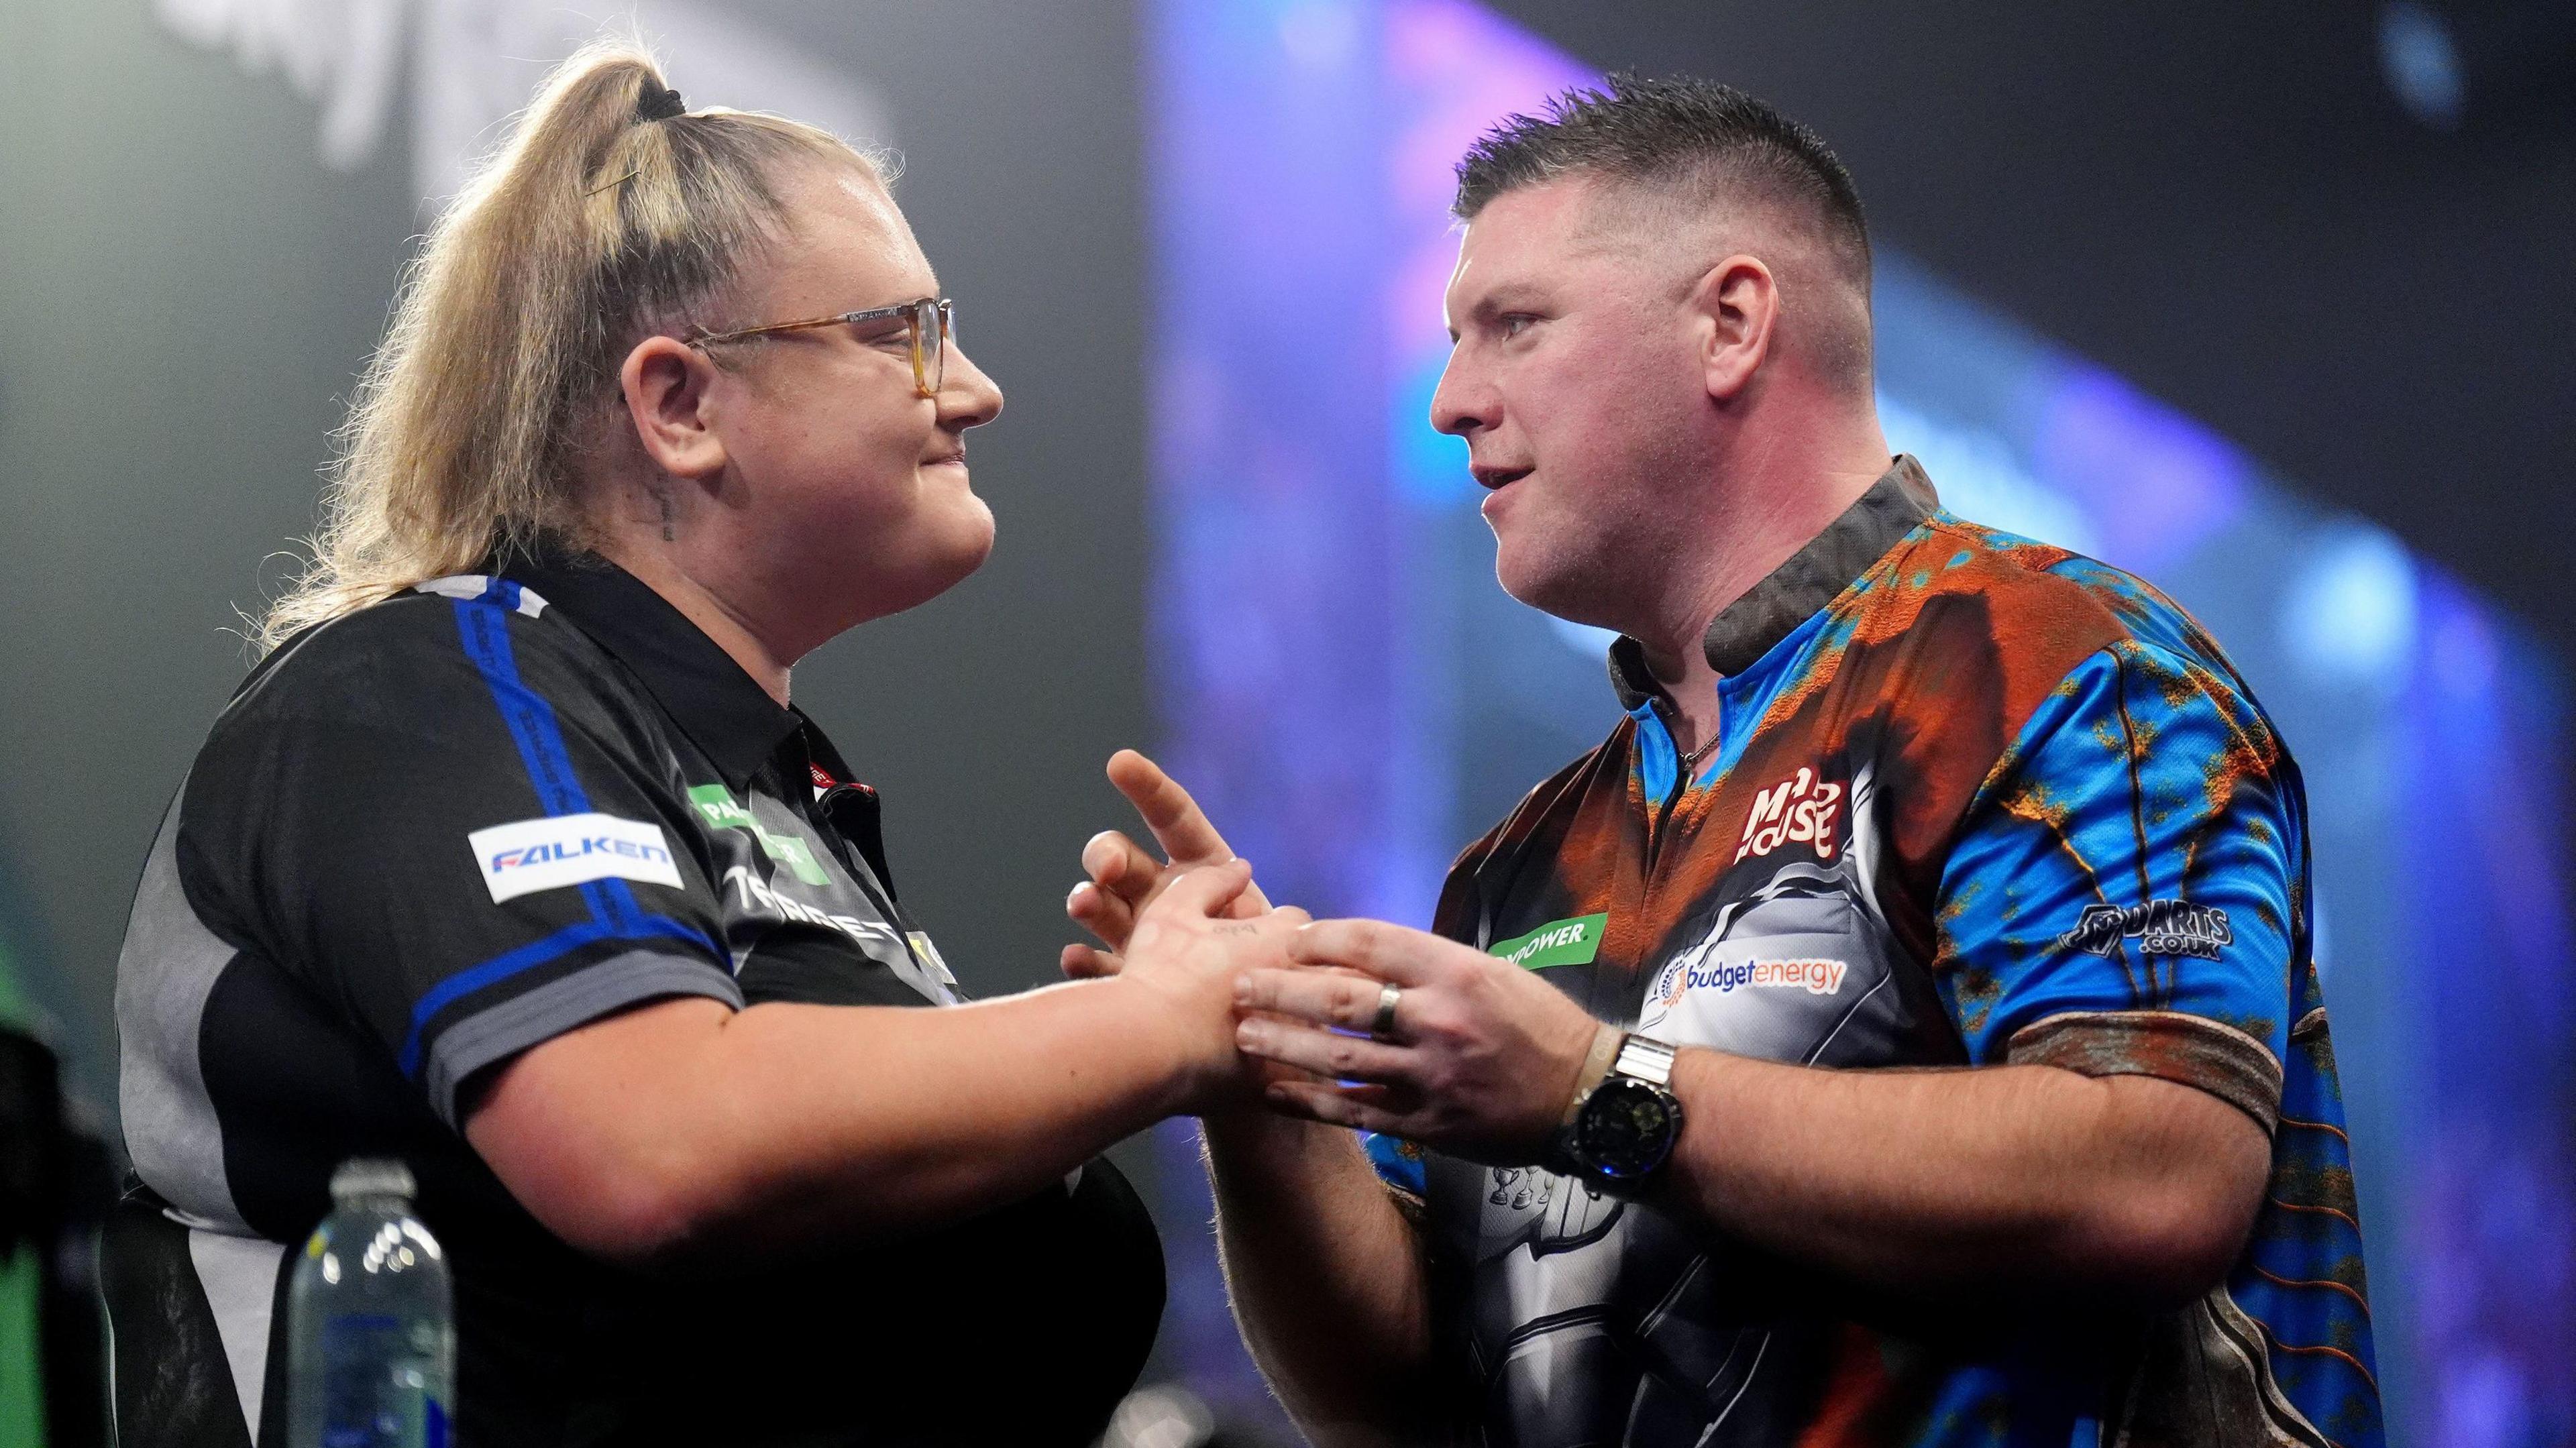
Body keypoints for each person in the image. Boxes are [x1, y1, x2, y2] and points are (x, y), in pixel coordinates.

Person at [1066, 76, 2384, 1447]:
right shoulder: (1523, 863)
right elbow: (1399, 1402)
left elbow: (2158, 1178)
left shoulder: (2061, 666)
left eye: (1515, 324)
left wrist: (1595, 1090)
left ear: (1732, 324)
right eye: (1456, 339)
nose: (1453, 399)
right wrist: (1252, 1090)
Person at [103, 45, 1293, 1448]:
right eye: (903, 333)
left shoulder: (761, 779)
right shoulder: (427, 689)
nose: (974, 390)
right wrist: (1160, 1020)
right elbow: (653, 1149)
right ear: (678, 405)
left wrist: (1213, 1041)